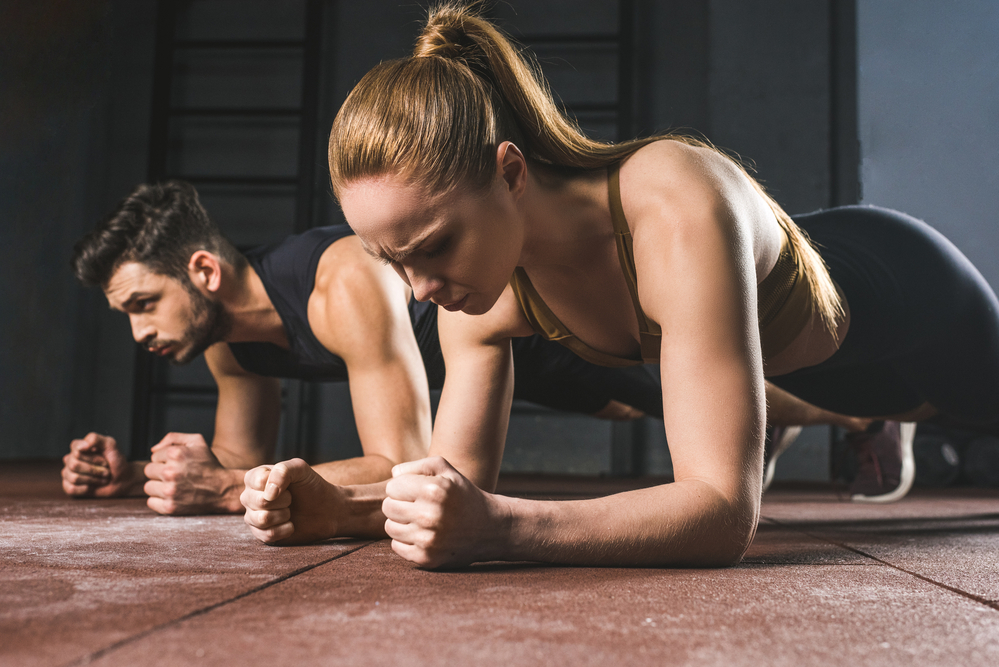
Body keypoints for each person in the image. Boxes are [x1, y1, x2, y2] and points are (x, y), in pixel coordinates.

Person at [243, 4, 999, 565]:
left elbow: (720, 514)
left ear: (510, 173)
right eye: (392, 260)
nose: (416, 288)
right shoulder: (477, 299)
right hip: (830, 375)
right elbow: (455, 490)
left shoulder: (670, 201)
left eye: (433, 246)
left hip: (905, 292)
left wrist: (504, 527)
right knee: (903, 402)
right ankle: (884, 418)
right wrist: (338, 508)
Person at [62, 180, 667, 515]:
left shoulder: (339, 284)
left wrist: (223, 490)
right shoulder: (226, 339)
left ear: (204, 272)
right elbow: (238, 458)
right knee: (619, 408)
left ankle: (766, 412)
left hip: (525, 326)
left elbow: (400, 462)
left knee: (669, 393)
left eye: (144, 305)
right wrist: (140, 473)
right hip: (473, 369)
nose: (140, 334)